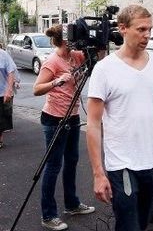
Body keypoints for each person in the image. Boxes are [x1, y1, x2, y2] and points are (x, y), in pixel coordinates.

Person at [86, 4, 153, 231]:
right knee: (129, 224)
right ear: (123, 28)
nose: (147, 35)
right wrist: (98, 173)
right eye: (141, 29)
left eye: (150, 29)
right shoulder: (105, 69)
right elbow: (93, 124)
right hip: (122, 163)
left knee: (145, 220)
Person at [33, 24, 96, 230]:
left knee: (71, 162)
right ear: (64, 40)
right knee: (53, 166)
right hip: (54, 118)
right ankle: (48, 215)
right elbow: (36, 89)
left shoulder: (76, 56)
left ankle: (72, 204)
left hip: (73, 117)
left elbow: (97, 59)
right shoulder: (52, 61)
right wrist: (57, 81)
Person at [0, 44, 17, 150]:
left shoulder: (3, 54)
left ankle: (0, 141)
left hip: (2, 92)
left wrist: (9, 90)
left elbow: (11, 72)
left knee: (1, 119)